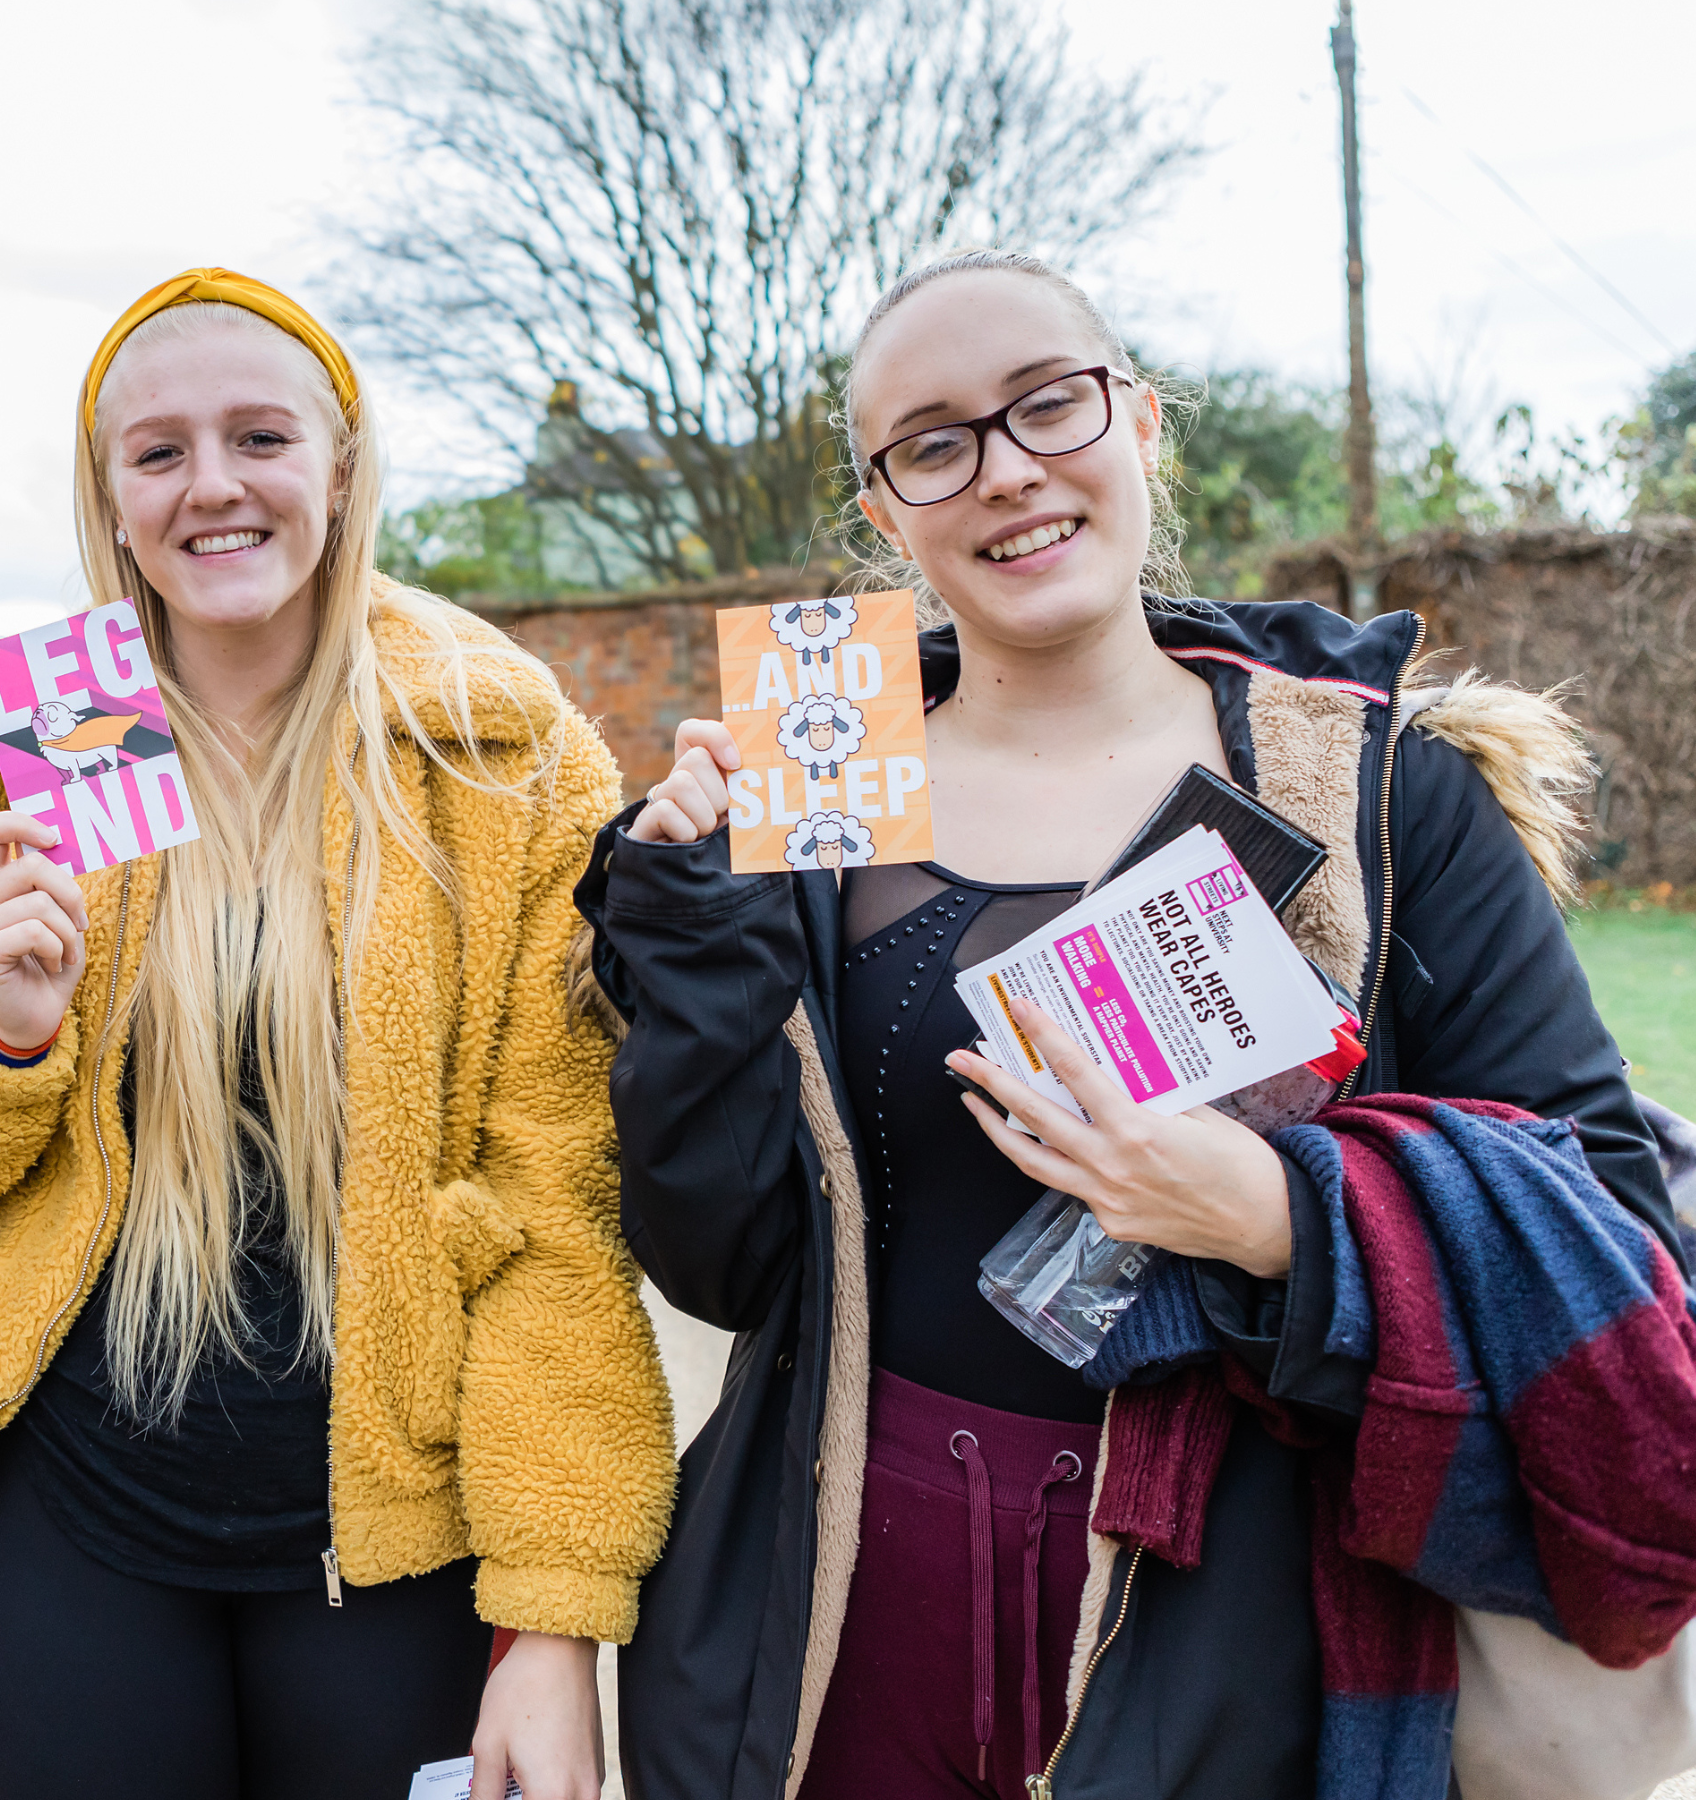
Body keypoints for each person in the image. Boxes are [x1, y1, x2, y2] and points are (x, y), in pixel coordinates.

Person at [582, 250, 1684, 1800]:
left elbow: (1608, 1219)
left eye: (1050, 405)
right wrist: (694, 921)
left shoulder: (1377, 791)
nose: (1009, 471)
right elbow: (723, 1264)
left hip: (1229, 1638)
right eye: (936, 442)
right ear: (884, 509)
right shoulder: (810, 803)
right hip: (835, 1621)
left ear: (1143, 423)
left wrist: (1279, 1216)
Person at [0, 269, 676, 1800]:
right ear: (110, 498)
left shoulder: (500, 744)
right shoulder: (24, 741)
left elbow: (558, 1209)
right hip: (68, 1528)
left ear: (341, 465)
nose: (213, 486)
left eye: (260, 437)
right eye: (159, 453)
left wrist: (555, 1618)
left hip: (402, 1539)